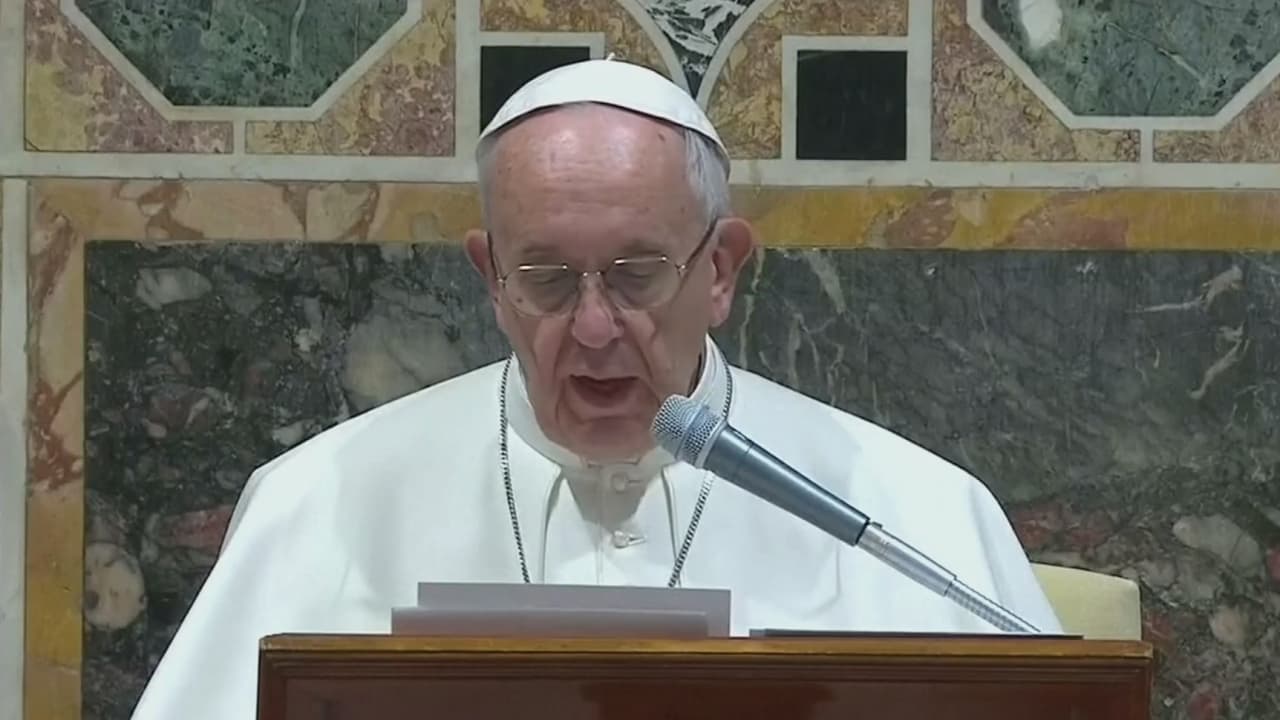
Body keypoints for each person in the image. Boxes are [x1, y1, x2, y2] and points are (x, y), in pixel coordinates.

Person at [129, 58, 1061, 719]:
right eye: (544, 280)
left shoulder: (913, 511)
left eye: (635, 275)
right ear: (490, 277)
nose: (594, 328)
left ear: (722, 269)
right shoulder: (316, 502)